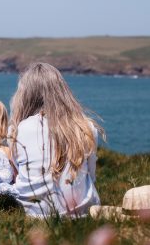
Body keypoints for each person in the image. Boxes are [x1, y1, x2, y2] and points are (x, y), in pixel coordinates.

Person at [9, 62, 104, 218]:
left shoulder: (18, 130)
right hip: (83, 213)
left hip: (34, 213)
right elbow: (91, 177)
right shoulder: (86, 127)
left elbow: (21, 171)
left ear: (25, 96)